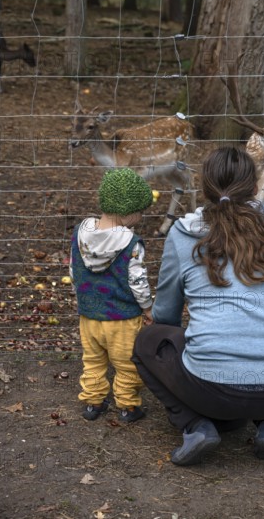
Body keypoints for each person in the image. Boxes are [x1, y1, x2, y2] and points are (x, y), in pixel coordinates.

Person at [132, 146, 264, 465]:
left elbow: (166, 315)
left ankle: (196, 425)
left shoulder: (184, 232)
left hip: (212, 389)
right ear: (256, 187)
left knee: (147, 342)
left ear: (204, 190)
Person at [70, 167, 153, 423]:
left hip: (89, 317)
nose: (140, 218)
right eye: (140, 212)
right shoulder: (130, 243)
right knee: (127, 363)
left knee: (93, 360)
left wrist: (82, 298)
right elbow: (137, 281)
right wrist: (148, 308)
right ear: (127, 212)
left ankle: (93, 404)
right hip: (123, 319)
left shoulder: (80, 234)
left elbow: (73, 271)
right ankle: (128, 406)